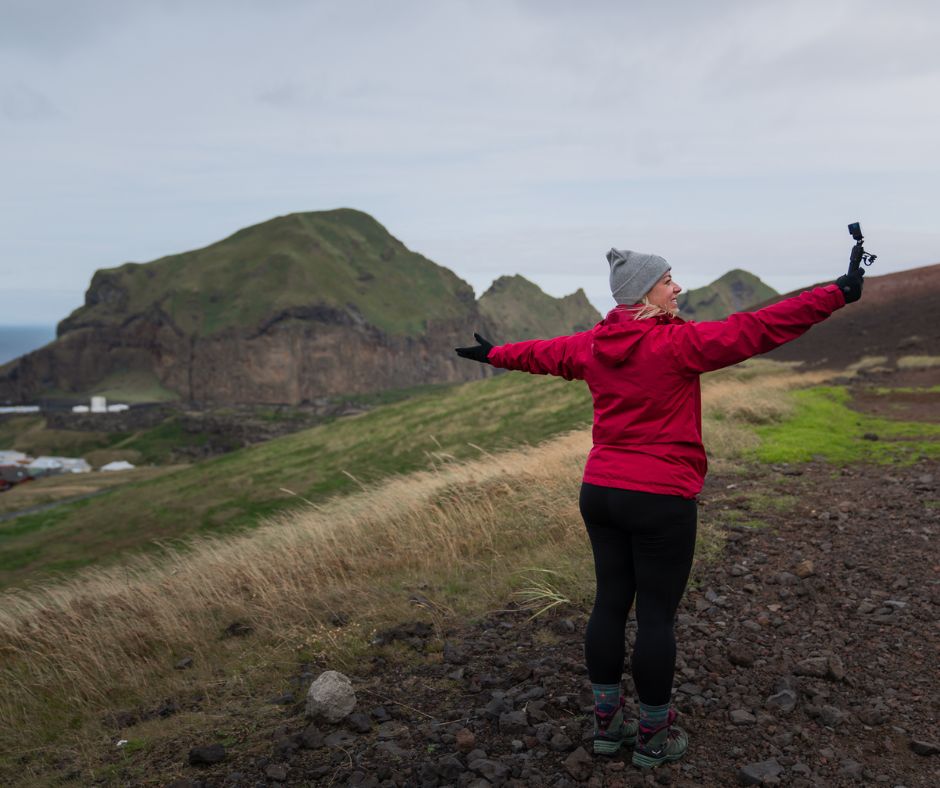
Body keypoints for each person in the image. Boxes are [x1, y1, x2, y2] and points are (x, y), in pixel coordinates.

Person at [455, 248, 864, 768]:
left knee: (608, 603)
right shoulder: (677, 344)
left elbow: (544, 353)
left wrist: (495, 355)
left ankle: (606, 727)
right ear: (644, 291)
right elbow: (756, 328)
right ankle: (654, 735)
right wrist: (836, 293)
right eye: (668, 281)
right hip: (660, 497)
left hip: (600, 491)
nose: (677, 289)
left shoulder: (593, 345)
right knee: (655, 618)